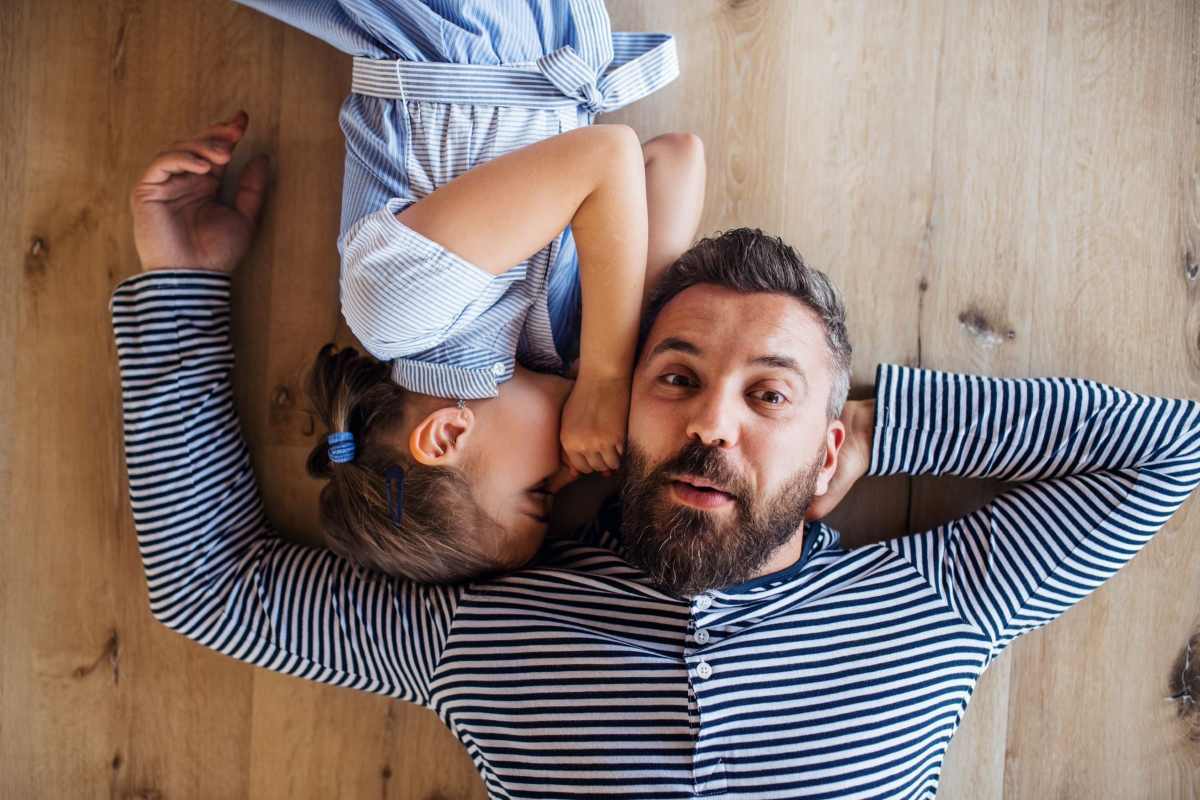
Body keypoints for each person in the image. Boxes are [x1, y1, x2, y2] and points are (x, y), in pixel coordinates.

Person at [118, 112, 1200, 799]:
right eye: (674, 377)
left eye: (767, 393)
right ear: (615, 404)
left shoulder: (936, 605)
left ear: (826, 443)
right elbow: (215, 586)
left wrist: (879, 429)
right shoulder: (481, 635)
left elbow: (1168, 450)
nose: (710, 425)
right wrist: (181, 281)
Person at [231, 0, 704, 583]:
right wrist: (624, 363)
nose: (566, 472)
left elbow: (607, 156)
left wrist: (605, 378)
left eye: (539, 492)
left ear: (447, 434)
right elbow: (673, 158)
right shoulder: (553, 343)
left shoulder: (397, 316)